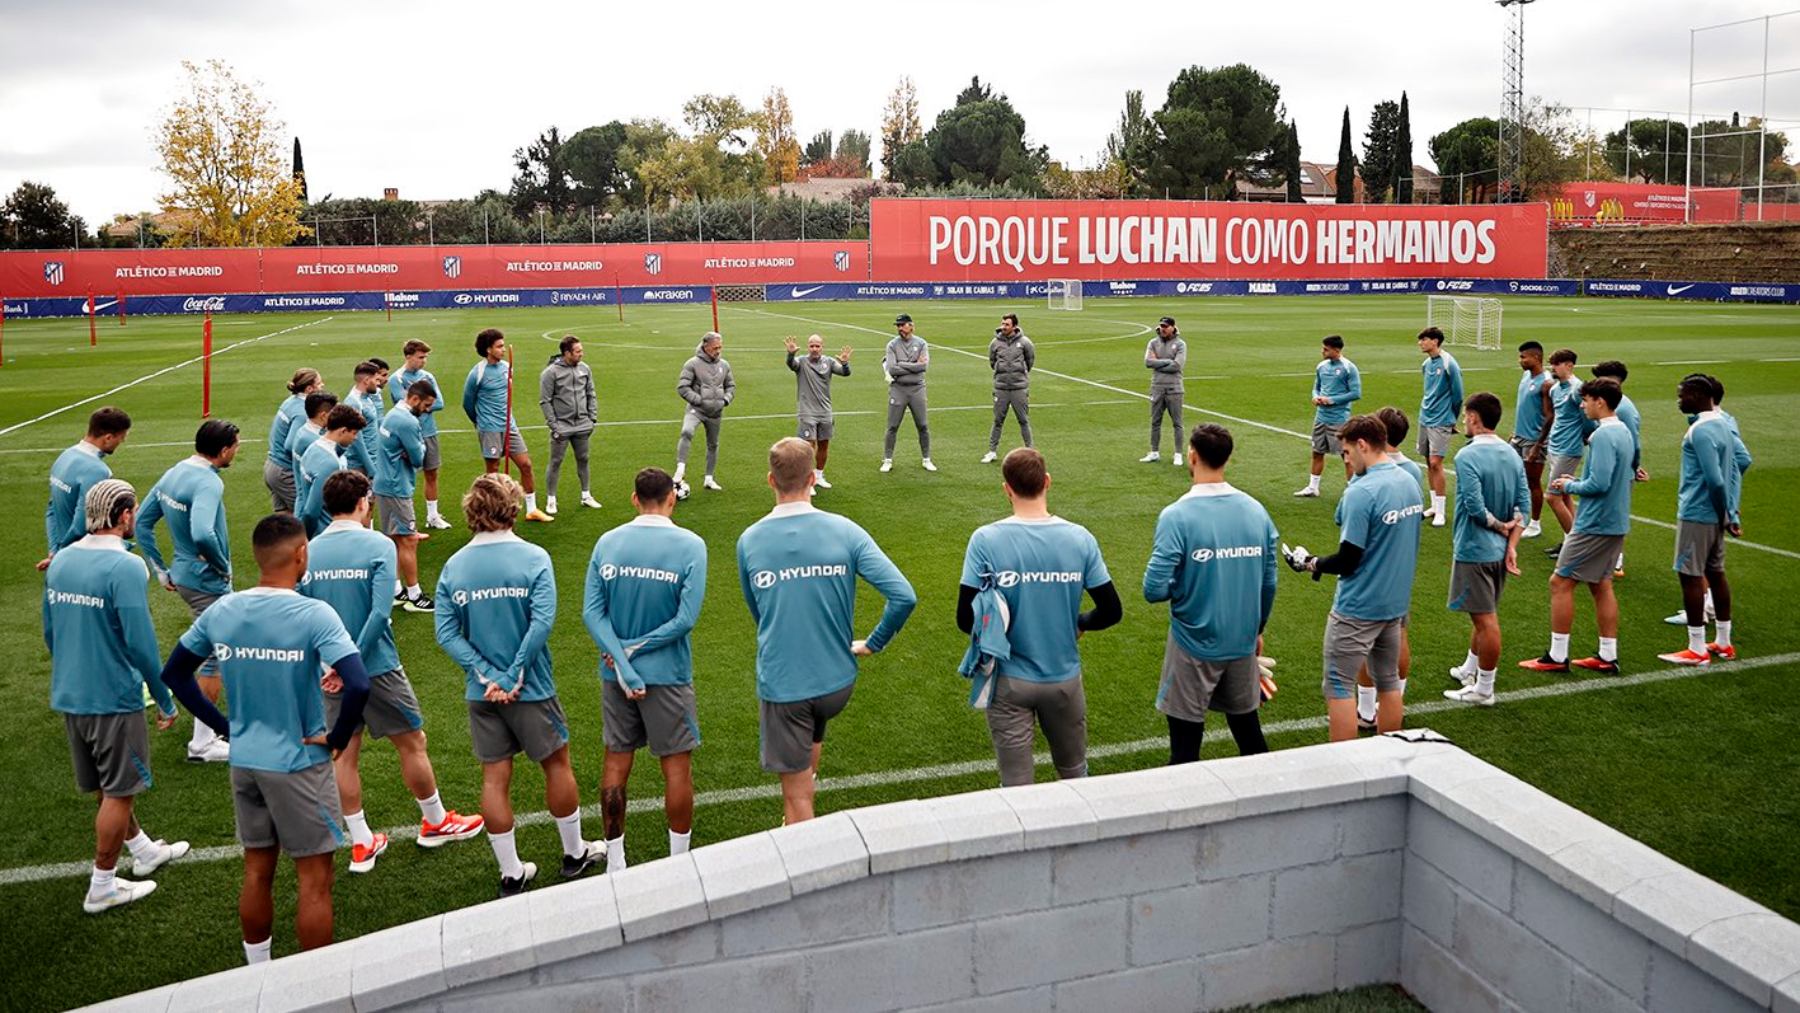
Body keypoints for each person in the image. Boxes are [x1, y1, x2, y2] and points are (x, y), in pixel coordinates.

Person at [159, 512, 372, 963]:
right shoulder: (314, 613)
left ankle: (258, 976)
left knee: (257, 871)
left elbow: (175, 673)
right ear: (300, 555)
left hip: (246, 760)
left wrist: (223, 726)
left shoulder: (223, 609)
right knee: (314, 879)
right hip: (297, 763)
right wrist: (336, 738)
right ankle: (315, 988)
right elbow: (358, 682)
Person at [303, 470, 484, 873]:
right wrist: (351, 663)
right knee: (411, 742)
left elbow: (303, 615)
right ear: (364, 503)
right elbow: (380, 611)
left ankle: (362, 842)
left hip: (328, 670)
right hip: (376, 666)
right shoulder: (377, 545)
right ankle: (435, 821)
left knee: (343, 754)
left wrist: (330, 665)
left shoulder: (309, 550)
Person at [738, 438, 917, 823]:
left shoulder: (750, 540)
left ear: (770, 480)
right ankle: (805, 787)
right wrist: (874, 643)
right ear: (813, 478)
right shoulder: (846, 530)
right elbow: (903, 596)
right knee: (811, 737)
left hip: (787, 684)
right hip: (837, 682)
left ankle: (803, 857)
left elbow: (759, 612)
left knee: (797, 799)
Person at [435, 473, 597, 896]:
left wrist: (486, 674)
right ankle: (574, 853)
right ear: (511, 508)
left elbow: (446, 633)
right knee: (557, 765)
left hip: (482, 693)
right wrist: (513, 673)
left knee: (494, 778)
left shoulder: (454, 566)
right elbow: (541, 622)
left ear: (471, 510)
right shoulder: (534, 557)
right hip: (533, 689)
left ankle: (511, 873)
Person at [46, 480, 189, 913]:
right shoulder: (126, 568)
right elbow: (141, 644)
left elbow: (50, 632)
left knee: (107, 785)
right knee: (120, 791)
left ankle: (143, 851)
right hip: (112, 696)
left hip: (71, 691)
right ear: (125, 515)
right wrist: (165, 698)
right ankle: (103, 885)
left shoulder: (60, 560)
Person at [957, 448, 1120, 786]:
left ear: (1007, 489)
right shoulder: (1080, 538)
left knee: (1016, 787)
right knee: (1075, 777)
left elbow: (964, 618)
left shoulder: (985, 539)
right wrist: (1081, 622)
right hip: (1063, 679)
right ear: (1047, 482)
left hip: (1009, 681)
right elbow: (1111, 611)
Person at [583, 467, 707, 871]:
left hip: (614, 675)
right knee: (676, 769)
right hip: (668, 675)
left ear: (634, 499)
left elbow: (592, 613)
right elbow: (685, 619)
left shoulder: (608, 542)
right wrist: (638, 650)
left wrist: (620, 658)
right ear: (672, 498)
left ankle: (616, 863)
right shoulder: (690, 545)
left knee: (616, 763)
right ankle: (678, 863)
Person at [1282, 415, 1423, 741]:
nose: (1345, 459)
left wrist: (1310, 563)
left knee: (1338, 685)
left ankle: (1347, 764)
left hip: (1359, 606)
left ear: (1362, 445)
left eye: (1346, 452)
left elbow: (1348, 559)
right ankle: (1389, 751)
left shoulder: (1362, 491)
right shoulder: (1410, 481)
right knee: (1388, 682)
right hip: (1395, 606)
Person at [1144, 425, 1277, 762]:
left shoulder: (1177, 516)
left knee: (1185, 746)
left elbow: (1154, 589)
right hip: (1241, 640)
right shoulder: (1255, 511)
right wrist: (1257, 629)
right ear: (1228, 458)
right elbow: (1269, 581)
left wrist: (1188, 584)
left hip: (1193, 642)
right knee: (1249, 734)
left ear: (1192, 455)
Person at [136, 419, 239, 763]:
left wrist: (161, 570)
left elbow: (141, 522)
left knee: (210, 651)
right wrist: (222, 565)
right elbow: (203, 534)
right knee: (214, 657)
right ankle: (203, 743)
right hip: (207, 581)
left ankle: (206, 736)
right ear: (224, 450)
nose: (237, 451)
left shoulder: (175, 471)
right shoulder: (209, 482)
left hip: (182, 576)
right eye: (235, 446)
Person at [1521, 379, 1633, 675]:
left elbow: (1599, 483)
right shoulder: (1623, 431)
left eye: (1586, 400)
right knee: (1601, 584)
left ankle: (1558, 656)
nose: (1582, 405)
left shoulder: (1602, 436)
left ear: (1600, 401)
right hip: (1616, 520)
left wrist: (1570, 484)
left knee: (1560, 583)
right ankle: (1607, 655)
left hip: (1596, 522)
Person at [1443, 393, 1531, 706]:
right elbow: (1525, 505)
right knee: (1483, 614)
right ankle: (1470, 669)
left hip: (1475, 549)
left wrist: (1499, 526)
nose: (1464, 421)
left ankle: (1484, 689)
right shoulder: (1511, 453)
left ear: (1475, 418)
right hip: (1498, 551)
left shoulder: (1467, 457)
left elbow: (1474, 507)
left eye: (1466, 416)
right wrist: (1512, 544)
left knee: (1486, 621)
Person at [1658, 376, 1749, 666]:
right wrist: (1730, 513)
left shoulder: (1700, 430)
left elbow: (1716, 480)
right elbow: (1738, 464)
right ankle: (1723, 642)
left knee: (1690, 576)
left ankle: (1696, 647)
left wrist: (1724, 512)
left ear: (1698, 395)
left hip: (1698, 513)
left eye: (1682, 395)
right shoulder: (1724, 424)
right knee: (1716, 573)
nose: (1679, 400)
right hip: (1715, 515)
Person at [463, 328, 552, 522]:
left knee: (526, 465)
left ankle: (532, 509)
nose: (503, 349)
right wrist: (481, 422)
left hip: (510, 425)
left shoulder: (506, 367)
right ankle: (493, 512)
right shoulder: (477, 373)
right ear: (488, 349)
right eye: (499, 346)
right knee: (493, 472)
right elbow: (467, 403)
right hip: (490, 428)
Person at [41, 406, 132, 570]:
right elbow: (81, 523)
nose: (122, 442)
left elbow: (51, 510)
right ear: (108, 437)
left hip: (65, 554)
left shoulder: (65, 456)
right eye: (122, 437)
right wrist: (62, 554)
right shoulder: (97, 470)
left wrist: (54, 550)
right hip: (83, 559)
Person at [376, 380, 438, 614]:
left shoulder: (392, 415)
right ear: (414, 399)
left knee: (393, 539)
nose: (428, 409)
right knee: (408, 539)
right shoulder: (407, 421)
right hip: (397, 487)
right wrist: (420, 445)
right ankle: (414, 595)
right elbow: (418, 459)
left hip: (385, 484)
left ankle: (395, 591)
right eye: (426, 404)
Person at [388, 341, 451, 530]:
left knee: (432, 473)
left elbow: (440, 403)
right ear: (408, 356)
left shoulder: (427, 377)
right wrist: (424, 406)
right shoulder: (397, 379)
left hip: (429, 431)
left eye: (425, 357)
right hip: (408, 434)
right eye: (420, 357)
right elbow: (407, 406)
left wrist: (422, 405)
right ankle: (408, 519)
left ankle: (432, 516)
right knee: (406, 477)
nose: (424, 361)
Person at [1591, 360, 1645, 577]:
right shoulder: (1611, 404)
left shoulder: (1624, 407)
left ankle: (1616, 560)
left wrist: (1635, 466)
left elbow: (1633, 441)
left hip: (1621, 470)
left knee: (1615, 513)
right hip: (1609, 465)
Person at [538, 335, 601, 515]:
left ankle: (586, 495)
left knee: (584, 458)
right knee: (556, 461)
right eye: (578, 351)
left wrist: (592, 419)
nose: (582, 354)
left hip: (582, 423)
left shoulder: (585, 369)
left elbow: (591, 393)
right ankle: (551, 499)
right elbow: (545, 401)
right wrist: (554, 425)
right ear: (567, 353)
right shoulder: (550, 373)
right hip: (562, 426)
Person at [1295, 335, 1360, 497]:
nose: (1322, 351)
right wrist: (1315, 396)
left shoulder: (1348, 368)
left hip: (1339, 419)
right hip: (1321, 418)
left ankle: (1353, 490)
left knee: (1346, 456)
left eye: (1326, 349)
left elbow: (1356, 393)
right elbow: (1316, 387)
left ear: (1336, 350)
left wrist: (1331, 400)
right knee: (1317, 452)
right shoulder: (1322, 366)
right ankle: (1313, 487)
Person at [787, 333, 852, 491]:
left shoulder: (829, 362)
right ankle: (807, 480)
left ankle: (819, 475)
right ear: (808, 346)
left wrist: (844, 363)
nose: (814, 349)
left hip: (825, 411)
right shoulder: (801, 362)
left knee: (824, 445)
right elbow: (791, 364)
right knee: (808, 447)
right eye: (811, 346)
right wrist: (790, 354)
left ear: (822, 347)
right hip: (807, 411)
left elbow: (845, 373)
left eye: (817, 346)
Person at [674, 330, 736, 491]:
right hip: (696, 410)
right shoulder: (692, 364)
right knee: (687, 431)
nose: (718, 351)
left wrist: (725, 400)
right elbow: (682, 387)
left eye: (720, 348)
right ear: (705, 346)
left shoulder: (724, 365)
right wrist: (699, 401)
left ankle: (709, 478)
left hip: (716, 412)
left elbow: (731, 386)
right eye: (715, 348)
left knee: (713, 444)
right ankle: (680, 469)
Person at [1416, 326, 1464, 528]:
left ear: (1435, 341)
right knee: (1428, 461)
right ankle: (1434, 505)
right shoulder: (1427, 364)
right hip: (1424, 418)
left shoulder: (1448, 363)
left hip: (1441, 419)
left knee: (1436, 463)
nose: (1420, 343)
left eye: (1424, 339)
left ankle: (1442, 512)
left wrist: (1451, 419)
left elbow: (1458, 395)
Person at [1542, 348, 1589, 554]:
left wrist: (1586, 437)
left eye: (1556, 364)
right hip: (1554, 445)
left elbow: (1588, 418)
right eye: (1552, 364)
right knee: (1565, 495)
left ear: (1569, 365)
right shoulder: (1554, 389)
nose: (1552, 368)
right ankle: (1572, 538)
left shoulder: (1577, 389)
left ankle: (1576, 546)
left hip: (1569, 449)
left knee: (1552, 497)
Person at [295, 405, 365, 539]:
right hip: (326, 533)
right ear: (343, 431)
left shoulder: (313, 447)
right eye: (354, 433)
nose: (355, 438)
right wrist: (308, 538)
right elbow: (311, 512)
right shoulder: (331, 463)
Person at [881, 313, 934, 473]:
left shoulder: (921, 343)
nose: (899, 328)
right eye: (898, 326)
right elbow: (891, 368)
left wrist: (902, 365)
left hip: (917, 388)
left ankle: (926, 458)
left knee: (923, 425)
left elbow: (923, 367)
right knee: (892, 426)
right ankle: (888, 459)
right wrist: (912, 364)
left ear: (911, 325)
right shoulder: (892, 345)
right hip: (898, 389)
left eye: (902, 325)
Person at [1510, 341, 1552, 539]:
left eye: (1523, 357)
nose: (1521, 361)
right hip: (1519, 437)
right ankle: (1518, 516)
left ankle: (1535, 523)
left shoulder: (1546, 383)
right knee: (1515, 477)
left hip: (1533, 440)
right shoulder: (1526, 375)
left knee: (1532, 481)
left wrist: (1538, 444)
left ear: (1536, 357)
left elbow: (1549, 416)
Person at [264, 369, 321, 514]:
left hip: (272, 466)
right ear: (309, 388)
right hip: (285, 472)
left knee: (284, 520)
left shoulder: (290, 401)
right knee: (305, 514)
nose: (322, 386)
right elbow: (291, 445)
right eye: (319, 383)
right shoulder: (303, 412)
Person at [983, 313, 1036, 463]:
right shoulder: (995, 343)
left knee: (1023, 420)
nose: (1003, 327)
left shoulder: (1025, 342)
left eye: (1006, 324)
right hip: (1001, 387)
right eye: (1002, 324)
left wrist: (1020, 374)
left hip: (1019, 387)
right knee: (998, 420)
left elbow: (1030, 360)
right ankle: (992, 451)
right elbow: (992, 361)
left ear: (1014, 326)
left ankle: (1030, 451)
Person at [1141, 316, 1187, 466]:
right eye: (1161, 326)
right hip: (1157, 387)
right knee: (1155, 421)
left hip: (1175, 388)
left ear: (1173, 327)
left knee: (1177, 423)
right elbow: (1148, 362)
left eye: (1166, 326)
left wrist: (1158, 363)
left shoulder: (1180, 344)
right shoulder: (1153, 343)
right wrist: (1167, 361)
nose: (1163, 329)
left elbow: (1177, 366)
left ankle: (1178, 454)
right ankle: (1154, 452)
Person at [344, 361, 387, 481]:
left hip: (372, 459)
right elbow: (357, 439)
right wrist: (371, 468)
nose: (378, 384)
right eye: (376, 380)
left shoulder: (368, 397)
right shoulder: (354, 403)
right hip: (359, 466)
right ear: (367, 380)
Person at [285, 390, 338, 478]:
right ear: (323, 416)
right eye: (333, 413)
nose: (336, 416)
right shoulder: (313, 440)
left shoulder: (303, 430)